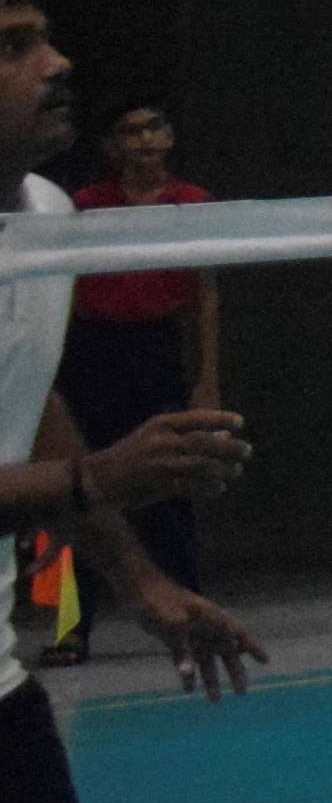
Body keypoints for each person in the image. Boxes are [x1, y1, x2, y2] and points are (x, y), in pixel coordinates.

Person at [0, 0, 266, 803]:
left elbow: (29, 397)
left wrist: (139, 582)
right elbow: (74, 456)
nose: (56, 63)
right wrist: (100, 479)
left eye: (47, 36)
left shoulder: (51, 219)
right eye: (15, 46)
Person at [53, 102, 219, 662]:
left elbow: (204, 295)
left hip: (156, 351)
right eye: (131, 131)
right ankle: (71, 628)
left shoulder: (192, 203)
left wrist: (207, 380)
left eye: (154, 127)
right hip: (92, 352)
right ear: (112, 147)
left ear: (169, 137)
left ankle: (193, 613)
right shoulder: (87, 206)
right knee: (78, 486)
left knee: (171, 485)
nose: (145, 139)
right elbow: (68, 286)